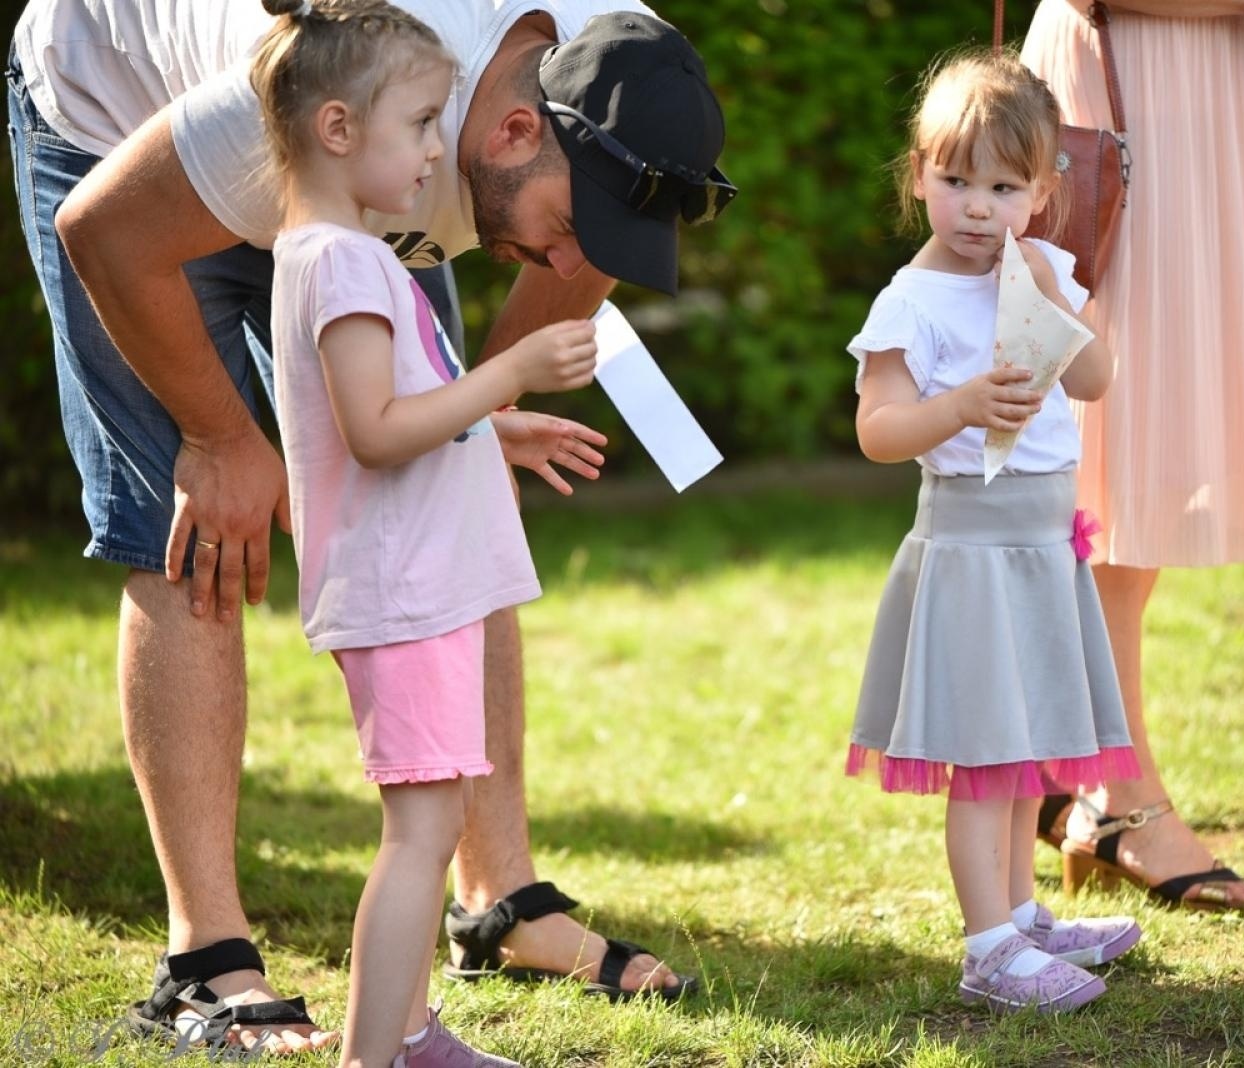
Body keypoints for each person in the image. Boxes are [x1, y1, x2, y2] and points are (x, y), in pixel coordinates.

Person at [7, 0, 729, 1051]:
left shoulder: (611, 69)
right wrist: (219, 440)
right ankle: (208, 954)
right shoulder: (352, 102)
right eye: (569, 229)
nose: (567, 257)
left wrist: (486, 412)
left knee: (447, 508)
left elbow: (477, 383)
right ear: (510, 133)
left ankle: (502, 903)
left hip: (354, 175)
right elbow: (106, 232)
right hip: (123, 142)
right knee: (195, 518)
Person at [254, 3, 606, 1063]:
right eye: (416, 124)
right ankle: (377, 1053)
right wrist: (510, 369)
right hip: (399, 594)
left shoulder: (336, 253)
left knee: (435, 823)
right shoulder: (348, 264)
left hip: (412, 583)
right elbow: (374, 433)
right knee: (418, 837)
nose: (428, 152)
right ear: (337, 129)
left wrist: (492, 428)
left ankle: (409, 1031)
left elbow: (396, 411)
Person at [1020, 0, 1244, 908]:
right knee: (1117, 452)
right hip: (1126, 88)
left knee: (1149, 453)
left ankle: (1086, 772)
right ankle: (1114, 790)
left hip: (1211, 90)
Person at [844, 49, 1143, 1014]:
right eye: (956, 179)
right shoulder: (912, 302)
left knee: (1023, 751)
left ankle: (1020, 920)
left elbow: (1094, 383)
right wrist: (962, 403)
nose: (978, 207)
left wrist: (1056, 301)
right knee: (982, 758)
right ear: (919, 174)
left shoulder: (1046, 270)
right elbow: (879, 432)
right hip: (970, 550)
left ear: (1044, 193)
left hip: (1045, 541)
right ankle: (986, 950)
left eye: (1004, 187)